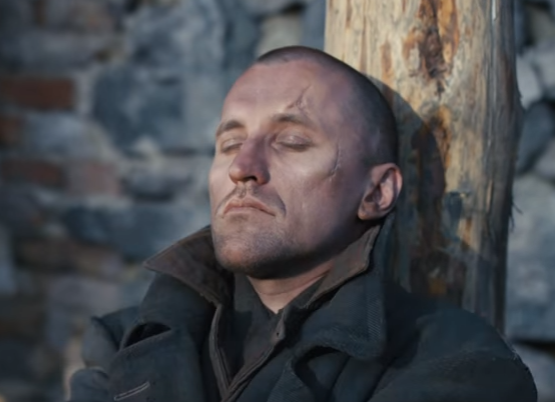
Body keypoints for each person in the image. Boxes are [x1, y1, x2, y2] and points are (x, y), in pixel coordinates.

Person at [67, 46, 537, 402]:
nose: (243, 167)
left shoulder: (455, 363)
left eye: (291, 141)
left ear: (376, 192)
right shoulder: (125, 342)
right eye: (230, 144)